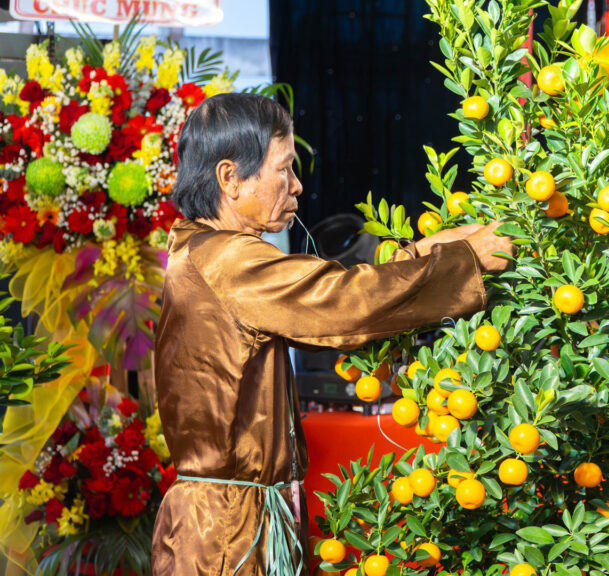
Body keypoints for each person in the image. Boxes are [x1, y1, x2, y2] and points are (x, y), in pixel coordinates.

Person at [152, 93, 512, 575]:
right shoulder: (226, 260)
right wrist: (462, 264)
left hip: (235, 521)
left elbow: (324, 303)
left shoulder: (204, 252)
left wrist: (422, 252)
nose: (298, 186)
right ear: (229, 178)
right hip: (225, 536)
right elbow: (343, 304)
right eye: (284, 170)